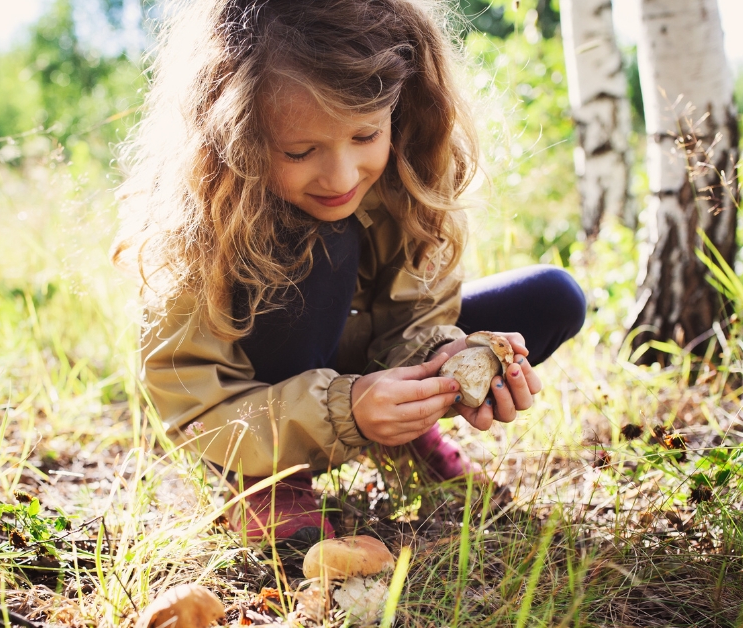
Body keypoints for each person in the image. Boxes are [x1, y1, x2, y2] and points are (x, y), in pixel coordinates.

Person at [113, 0, 586, 548]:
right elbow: (195, 407)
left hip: (355, 361)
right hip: (257, 404)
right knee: (323, 240)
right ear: (235, 136)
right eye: (299, 150)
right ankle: (265, 481)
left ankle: (407, 437)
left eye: (365, 136)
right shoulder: (201, 221)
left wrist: (439, 364)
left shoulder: (410, 174)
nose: (340, 175)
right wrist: (349, 409)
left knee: (553, 297)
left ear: (401, 109)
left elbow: (419, 313)